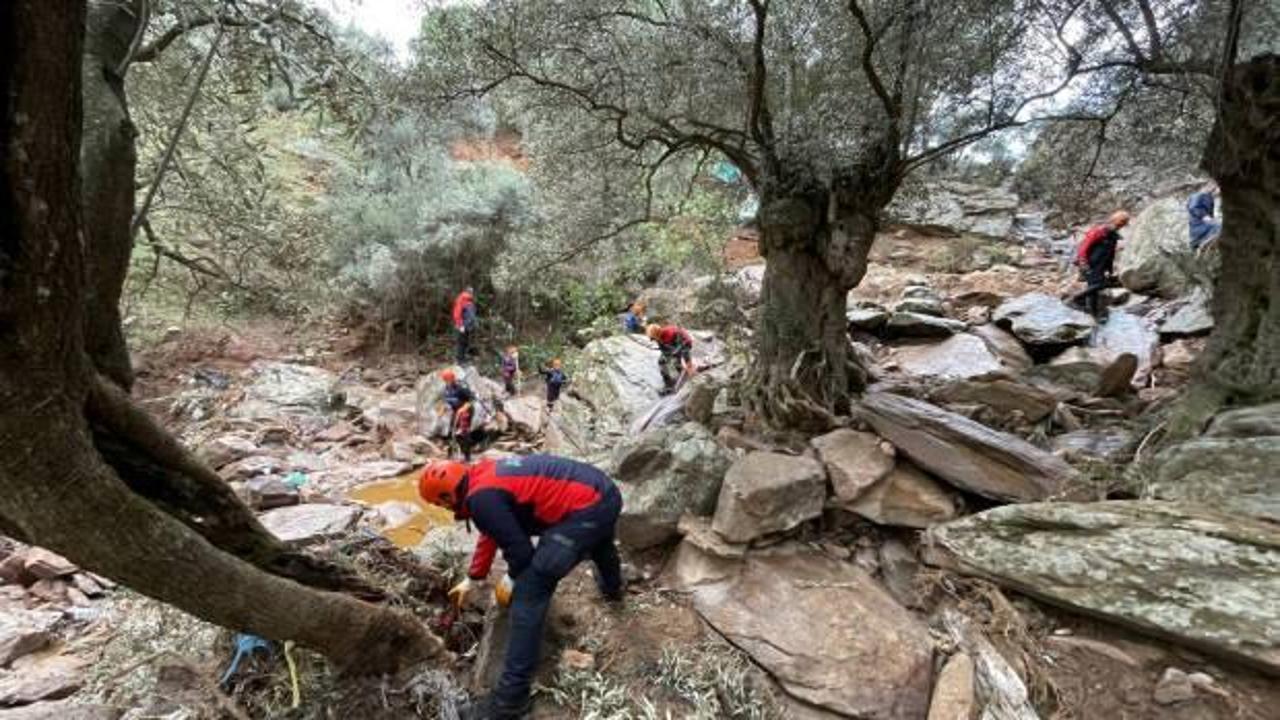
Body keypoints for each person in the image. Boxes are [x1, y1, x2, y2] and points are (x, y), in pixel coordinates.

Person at [418, 455, 624, 720]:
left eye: (440, 503)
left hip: (589, 507)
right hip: (602, 491)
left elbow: (521, 553)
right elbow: (493, 529)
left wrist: (512, 578)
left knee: (529, 592)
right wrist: (474, 577)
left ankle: (510, 700)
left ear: (446, 497)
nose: (445, 508)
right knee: (600, 541)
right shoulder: (483, 477)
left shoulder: (481, 499)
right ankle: (613, 587)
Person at [1074, 210, 1130, 320]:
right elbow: (1084, 247)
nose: (1122, 224)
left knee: (1094, 288)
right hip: (1091, 263)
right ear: (1114, 219)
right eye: (1121, 221)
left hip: (1101, 265)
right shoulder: (1099, 231)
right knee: (1099, 285)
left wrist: (1109, 269)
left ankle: (1091, 313)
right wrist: (1083, 262)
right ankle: (1078, 299)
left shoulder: (1113, 236)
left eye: (1124, 222)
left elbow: (1111, 253)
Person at [441, 369, 483, 461]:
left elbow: (472, 399)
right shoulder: (446, 389)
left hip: (466, 411)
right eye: (445, 380)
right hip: (456, 411)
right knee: (451, 431)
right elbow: (446, 401)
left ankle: (467, 457)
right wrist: (442, 409)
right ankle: (450, 455)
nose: (447, 381)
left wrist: (464, 408)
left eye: (448, 379)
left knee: (464, 432)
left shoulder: (461, 387)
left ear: (452, 378)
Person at [645, 323, 695, 394]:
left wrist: (688, 362)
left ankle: (686, 374)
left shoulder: (672, 333)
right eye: (651, 339)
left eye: (653, 338)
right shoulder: (659, 338)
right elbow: (664, 350)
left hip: (684, 344)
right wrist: (667, 355)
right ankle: (668, 384)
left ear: (657, 334)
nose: (652, 340)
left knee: (678, 360)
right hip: (672, 346)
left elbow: (685, 343)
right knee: (661, 361)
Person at [1187, 185, 1221, 252]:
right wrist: (1204, 216)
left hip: (1204, 226)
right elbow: (1194, 208)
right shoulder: (1199, 195)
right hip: (1199, 226)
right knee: (1219, 227)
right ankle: (1198, 244)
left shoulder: (1209, 198)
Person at [452, 287, 477, 364]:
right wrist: (461, 325)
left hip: (466, 326)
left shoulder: (467, 301)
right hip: (463, 326)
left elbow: (470, 316)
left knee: (464, 342)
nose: (471, 294)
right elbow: (457, 314)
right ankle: (460, 360)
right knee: (461, 343)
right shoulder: (462, 300)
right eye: (471, 292)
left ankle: (462, 358)